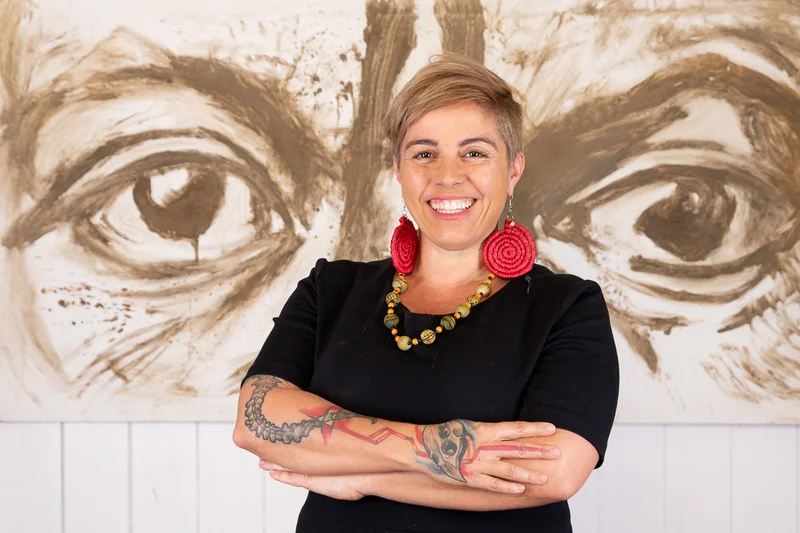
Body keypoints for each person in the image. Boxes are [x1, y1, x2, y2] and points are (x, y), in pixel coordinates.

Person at [236, 52, 620, 532]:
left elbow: (552, 472)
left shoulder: (565, 306)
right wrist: (439, 450)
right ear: (399, 169)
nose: (447, 175)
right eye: (424, 153)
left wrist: (357, 476)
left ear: (514, 168)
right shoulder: (330, 289)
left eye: (475, 152)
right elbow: (256, 421)